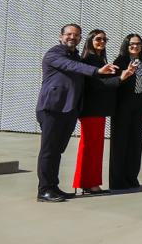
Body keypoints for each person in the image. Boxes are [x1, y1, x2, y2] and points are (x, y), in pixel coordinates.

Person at [35, 25, 118, 202]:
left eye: (76, 35)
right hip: (52, 108)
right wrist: (96, 71)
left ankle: (53, 186)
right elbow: (71, 66)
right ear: (61, 36)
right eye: (69, 34)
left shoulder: (75, 56)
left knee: (57, 150)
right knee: (49, 150)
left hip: (69, 109)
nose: (72, 37)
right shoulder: (54, 53)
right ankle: (44, 190)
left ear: (80, 39)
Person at [74, 29, 129, 194]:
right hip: (91, 110)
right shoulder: (89, 60)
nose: (102, 42)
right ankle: (87, 183)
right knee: (90, 147)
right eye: (98, 39)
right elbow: (96, 85)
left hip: (99, 110)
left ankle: (90, 183)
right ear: (90, 40)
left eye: (105, 39)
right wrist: (120, 78)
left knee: (95, 148)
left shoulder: (99, 59)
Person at [110, 34, 142, 190]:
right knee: (120, 143)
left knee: (135, 143)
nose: (135, 46)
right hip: (123, 106)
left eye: (138, 44)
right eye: (132, 44)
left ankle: (131, 176)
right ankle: (118, 180)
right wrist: (125, 74)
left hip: (139, 106)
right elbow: (115, 84)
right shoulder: (120, 62)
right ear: (126, 46)